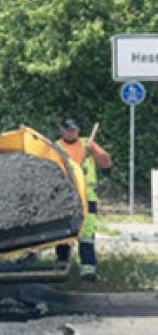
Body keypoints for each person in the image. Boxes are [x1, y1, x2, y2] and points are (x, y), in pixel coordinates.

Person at [56, 117, 113, 281]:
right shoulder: (56, 147)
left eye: (73, 129)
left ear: (78, 130)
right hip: (66, 198)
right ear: (62, 130)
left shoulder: (87, 143)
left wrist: (93, 151)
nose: (71, 132)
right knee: (64, 232)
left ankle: (88, 270)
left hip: (88, 199)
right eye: (68, 129)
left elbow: (107, 163)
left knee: (87, 234)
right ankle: (61, 265)